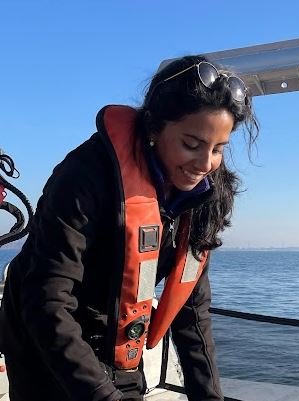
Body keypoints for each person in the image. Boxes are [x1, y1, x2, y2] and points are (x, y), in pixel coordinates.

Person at [0, 55, 259, 401]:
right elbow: (46, 302)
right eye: (191, 144)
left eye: (217, 150)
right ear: (154, 128)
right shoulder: (83, 178)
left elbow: (192, 312)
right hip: (45, 337)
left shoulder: (202, 199)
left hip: (120, 338)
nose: (204, 164)